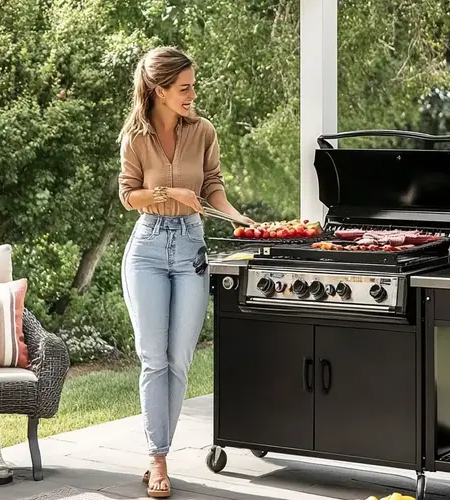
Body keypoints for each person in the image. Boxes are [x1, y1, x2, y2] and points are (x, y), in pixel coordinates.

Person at [117, 46, 254, 498]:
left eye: (193, 85)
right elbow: (128, 196)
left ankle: (160, 449)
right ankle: (158, 459)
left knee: (179, 359)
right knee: (153, 357)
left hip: (192, 247)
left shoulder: (204, 131)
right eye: (184, 87)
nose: (192, 94)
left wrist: (239, 219)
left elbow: (212, 184)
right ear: (159, 90)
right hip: (148, 250)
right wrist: (168, 191)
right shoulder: (136, 136)